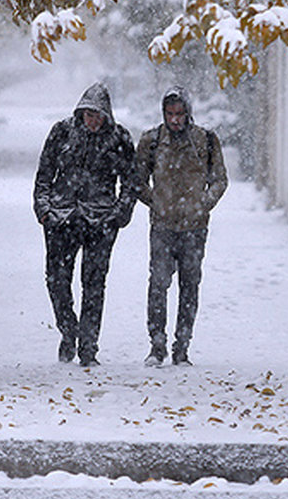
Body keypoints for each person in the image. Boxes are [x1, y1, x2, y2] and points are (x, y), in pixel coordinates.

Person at [33, 82, 135, 367]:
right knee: (57, 281)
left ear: (106, 115)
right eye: (89, 115)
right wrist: (44, 210)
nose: (93, 121)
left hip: (101, 221)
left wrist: (120, 214)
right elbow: (44, 174)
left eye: (98, 116)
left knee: (94, 284)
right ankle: (69, 330)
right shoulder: (61, 132)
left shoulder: (119, 138)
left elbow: (131, 181)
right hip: (61, 219)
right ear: (81, 113)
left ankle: (89, 347)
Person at [134, 87, 228, 366]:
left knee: (190, 286)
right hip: (163, 226)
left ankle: (182, 345)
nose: (174, 120)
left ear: (189, 113)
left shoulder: (205, 141)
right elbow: (137, 179)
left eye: (179, 114)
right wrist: (156, 202)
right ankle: (157, 344)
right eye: (170, 114)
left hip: (194, 227)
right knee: (158, 284)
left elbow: (220, 179)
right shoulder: (151, 141)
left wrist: (203, 203)